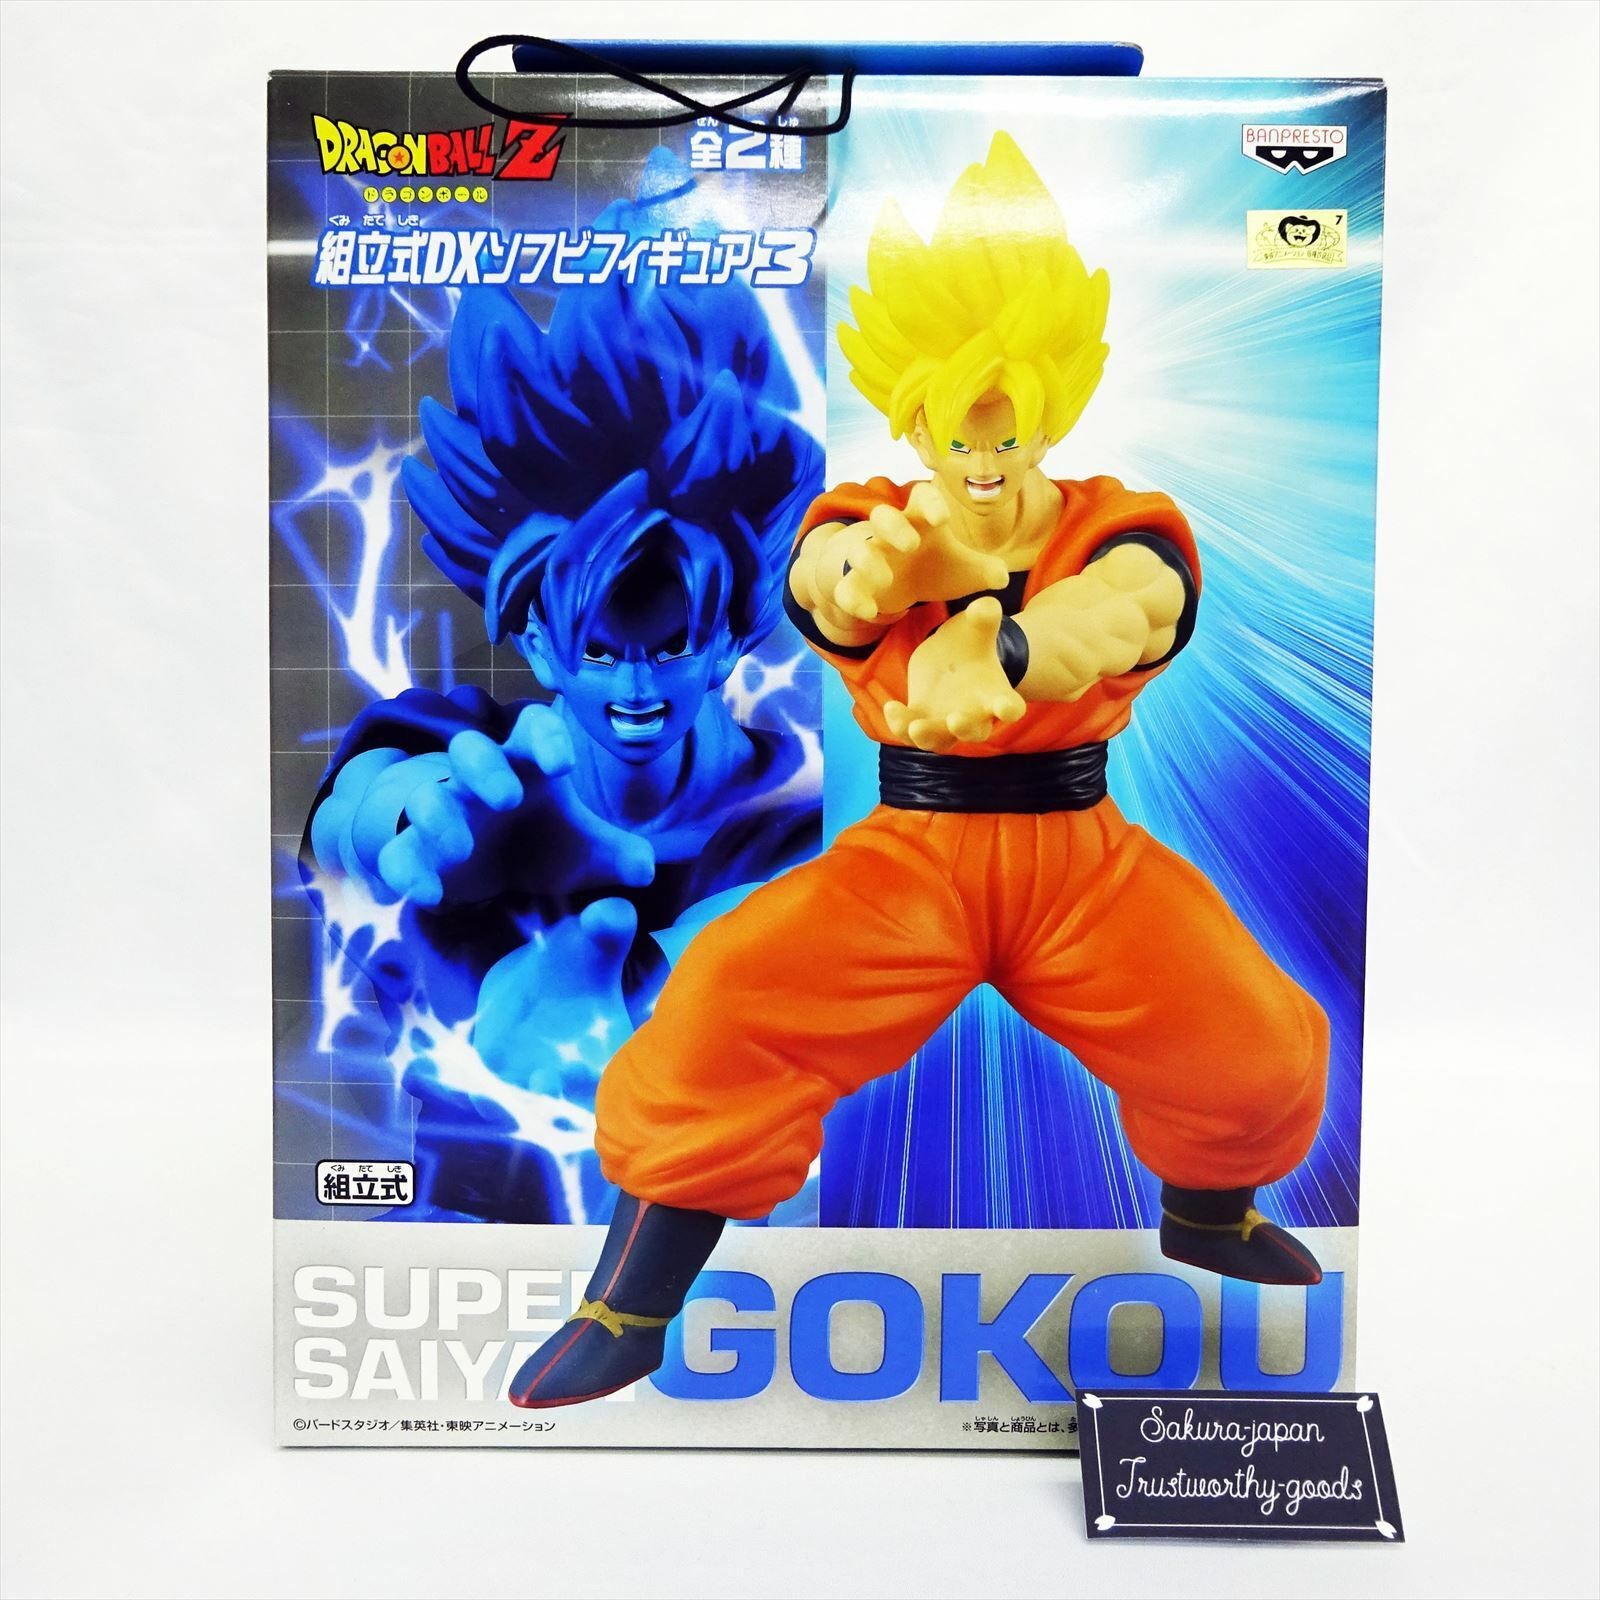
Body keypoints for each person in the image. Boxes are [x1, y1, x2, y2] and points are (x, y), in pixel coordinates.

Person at [510, 132, 1330, 1407]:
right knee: (722, 1002)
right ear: (911, 409)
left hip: (1082, 861)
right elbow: (825, 585)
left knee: (1255, 1041)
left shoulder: (1120, 524)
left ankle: (1208, 1218)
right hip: (914, 860)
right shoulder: (863, 519)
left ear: (1058, 402)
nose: (984, 459)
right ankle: (627, 1304)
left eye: (1011, 426)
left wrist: (1011, 646)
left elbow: (1131, 606)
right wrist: (885, 577)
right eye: (958, 428)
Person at [302, 164, 823, 1224]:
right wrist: (410, 823)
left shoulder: (809, 820)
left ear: (731, 636)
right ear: (538, 639)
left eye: (669, 647)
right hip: (459, 1256)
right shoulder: (478, 757)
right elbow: (355, 813)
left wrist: (654, 1001)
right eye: (598, 650)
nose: (634, 688)